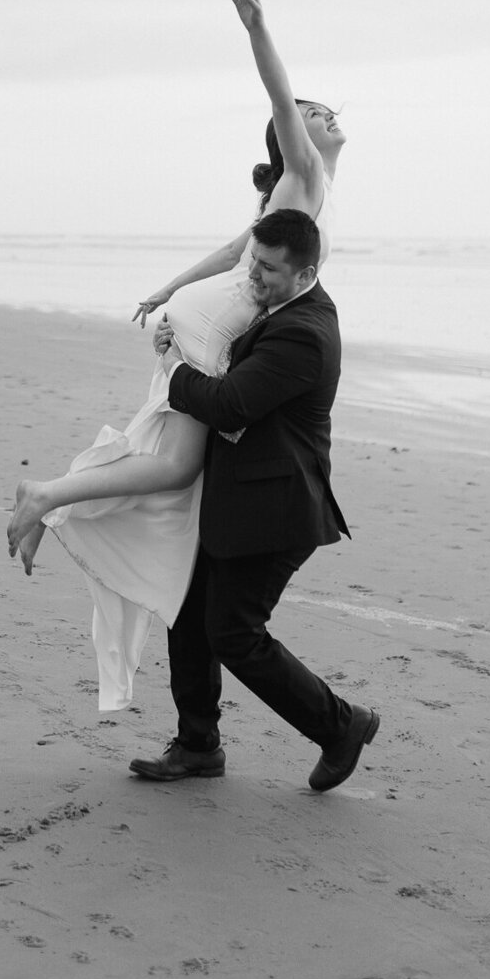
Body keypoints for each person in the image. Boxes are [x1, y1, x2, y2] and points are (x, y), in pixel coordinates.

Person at [5, 0, 347, 709]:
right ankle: (49, 498)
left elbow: (233, 253)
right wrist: (259, 28)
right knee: (167, 470)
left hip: (200, 324)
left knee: (166, 467)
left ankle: (56, 502)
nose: (326, 116)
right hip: (204, 336)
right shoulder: (305, 174)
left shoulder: (292, 206)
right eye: (317, 114)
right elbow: (282, 100)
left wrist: (167, 288)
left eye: (328, 112)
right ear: (297, 137)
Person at [129, 205, 378, 793]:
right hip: (241, 496)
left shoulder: (303, 333)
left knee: (235, 634)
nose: (253, 277)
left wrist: (171, 364)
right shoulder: (280, 306)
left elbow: (229, 404)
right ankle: (197, 746)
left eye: (266, 269)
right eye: (253, 262)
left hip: (278, 511)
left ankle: (343, 726)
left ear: (304, 272)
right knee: (188, 613)